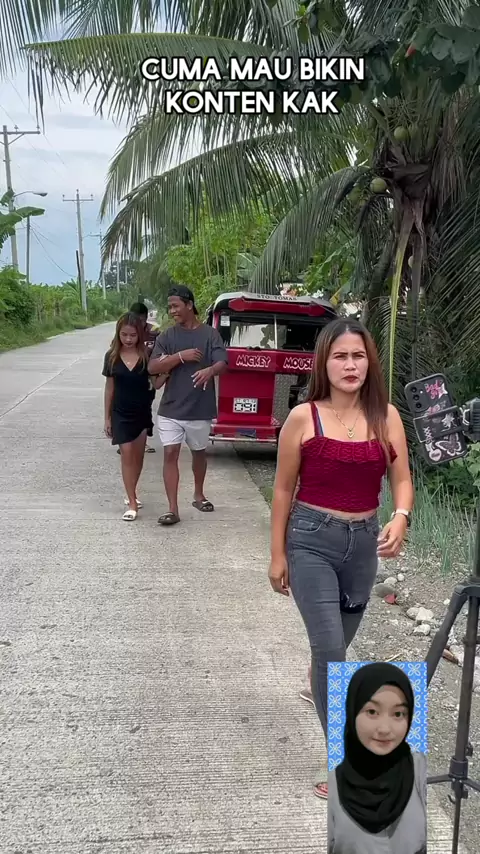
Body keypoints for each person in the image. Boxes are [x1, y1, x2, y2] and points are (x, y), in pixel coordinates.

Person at [268, 317, 414, 798]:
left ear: (369, 362)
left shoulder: (386, 416)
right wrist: (277, 554)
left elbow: (401, 480)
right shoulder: (303, 417)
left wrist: (401, 516)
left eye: (358, 356)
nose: (350, 365)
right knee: (332, 653)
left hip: (363, 548)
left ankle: (318, 684)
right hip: (311, 541)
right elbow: (283, 489)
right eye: (340, 356)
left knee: (334, 650)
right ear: (324, 363)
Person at [148, 285, 228, 525]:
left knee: (198, 453)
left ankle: (198, 495)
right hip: (170, 409)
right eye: (170, 307)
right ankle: (172, 509)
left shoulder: (210, 335)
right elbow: (152, 367)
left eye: (176, 306)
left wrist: (209, 371)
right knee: (170, 453)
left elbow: (222, 362)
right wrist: (180, 356)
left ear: (190, 305)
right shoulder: (167, 337)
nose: (172, 311)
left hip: (199, 408)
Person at [328, 662, 426, 854]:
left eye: (398, 714)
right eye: (372, 712)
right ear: (352, 711)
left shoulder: (421, 770)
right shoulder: (332, 786)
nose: (384, 729)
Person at [103, 312, 154, 520]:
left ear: (139, 335)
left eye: (132, 335)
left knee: (138, 457)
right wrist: (107, 418)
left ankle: (132, 490)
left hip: (142, 412)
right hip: (120, 412)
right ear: (118, 334)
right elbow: (109, 388)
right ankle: (132, 503)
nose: (128, 339)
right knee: (126, 453)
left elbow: (155, 382)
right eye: (124, 334)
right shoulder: (111, 357)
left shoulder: (147, 355)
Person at [113, 301, 160, 455]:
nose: (139, 323)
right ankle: (124, 440)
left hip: (147, 377)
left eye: (142, 320)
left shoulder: (155, 332)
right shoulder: (126, 331)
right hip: (128, 378)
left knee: (145, 408)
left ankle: (141, 441)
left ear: (146, 318)